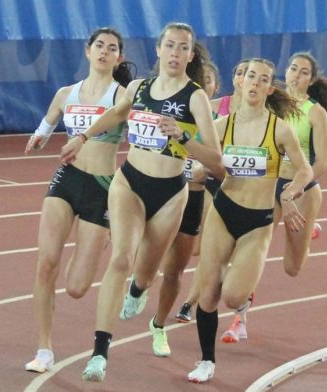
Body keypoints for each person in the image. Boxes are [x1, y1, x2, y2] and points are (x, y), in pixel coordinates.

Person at [60, 22, 222, 382]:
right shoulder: (139, 87)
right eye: (170, 46)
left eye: (183, 48)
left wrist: (182, 136)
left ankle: (139, 287)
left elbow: (216, 158)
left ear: (190, 56)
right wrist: (82, 137)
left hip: (170, 192)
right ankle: (100, 352)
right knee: (120, 257)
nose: (175, 53)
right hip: (130, 182)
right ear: (159, 50)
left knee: (147, 274)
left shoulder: (195, 98)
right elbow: (117, 114)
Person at [187, 58, 314, 383]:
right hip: (224, 210)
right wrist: (185, 149)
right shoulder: (221, 126)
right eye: (250, 77)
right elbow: (195, 156)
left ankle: (243, 287)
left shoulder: (279, 129)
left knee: (232, 296)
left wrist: (289, 195)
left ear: (270, 88)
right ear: (240, 83)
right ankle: (206, 360)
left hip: (257, 222)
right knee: (209, 293)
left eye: (263, 79)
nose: (255, 83)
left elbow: (305, 170)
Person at [218, 52, 327, 344]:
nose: (295, 75)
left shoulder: (315, 112)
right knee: (254, 251)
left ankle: (310, 224)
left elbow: (324, 162)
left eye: (303, 72)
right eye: (292, 69)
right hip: (269, 184)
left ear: (311, 80)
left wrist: (295, 190)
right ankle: (240, 320)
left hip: (301, 189)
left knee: (292, 268)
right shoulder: (272, 101)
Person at [22, 28, 134, 373]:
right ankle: (44, 349)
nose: (104, 51)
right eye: (99, 45)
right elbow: (47, 123)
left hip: (101, 186)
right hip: (66, 180)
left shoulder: (122, 95)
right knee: (46, 263)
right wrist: (39, 137)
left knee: (76, 287)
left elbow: (133, 128)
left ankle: (96, 242)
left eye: (111, 48)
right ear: (87, 52)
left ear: (118, 58)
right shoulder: (65, 93)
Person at [142, 58, 221, 358]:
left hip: (196, 196)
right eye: (199, 80)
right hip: (163, 190)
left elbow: (221, 165)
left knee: (176, 269)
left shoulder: (218, 119)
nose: (203, 85)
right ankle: (138, 283)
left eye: (209, 80)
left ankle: (160, 324)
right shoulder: (169, 109)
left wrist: (205, 170)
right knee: (146, 261)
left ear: (214, 86)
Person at [174, 59, 250, 324]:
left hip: (241, 189)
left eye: (249, 74)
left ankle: (188, 302)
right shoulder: (215, 111)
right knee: (196, 248)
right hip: (209, 182)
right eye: (239, 72)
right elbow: (192, 148)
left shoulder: (265, 117)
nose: (244, 78)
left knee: (211, 250)